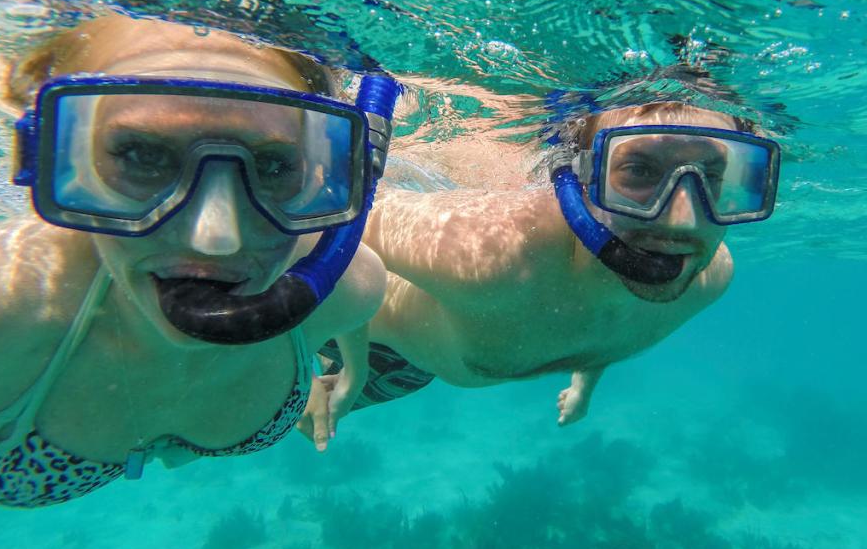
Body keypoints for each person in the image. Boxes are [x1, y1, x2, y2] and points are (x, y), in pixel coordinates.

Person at [0, 13, 400, 507]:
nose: (215, 239)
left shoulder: (348, 285)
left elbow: (350, 312)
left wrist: (351, 375)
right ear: (60, 159)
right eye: (142, 156)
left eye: (275, 164)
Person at [310, 99, 780, 430]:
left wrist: (583, 387)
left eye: (714, 177)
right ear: (577, 179)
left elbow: (609, 323)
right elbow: (335, 216)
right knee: (266, 422)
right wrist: (351, 369)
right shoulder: (487, 253)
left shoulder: (707, 277)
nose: (683, 220)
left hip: (444, 347)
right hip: (371, 348)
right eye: (639, 171)